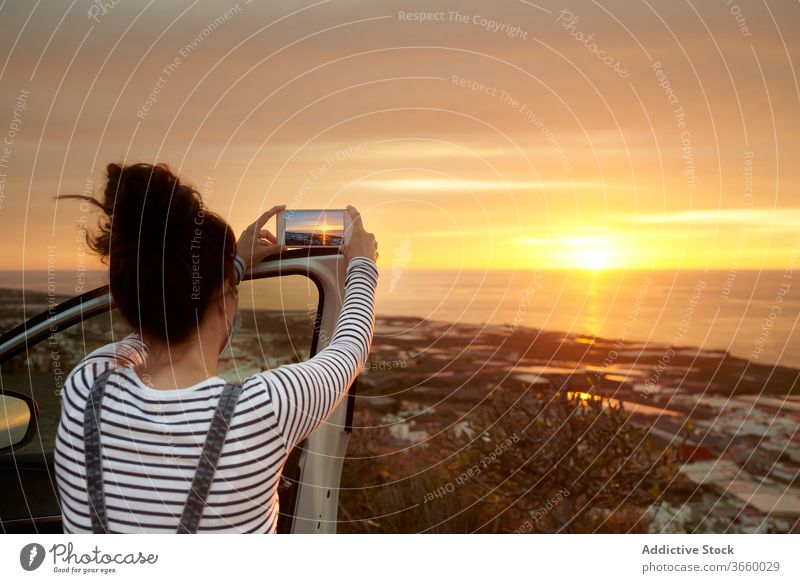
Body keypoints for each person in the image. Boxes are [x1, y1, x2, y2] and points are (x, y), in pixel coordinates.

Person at [53, 162, 379, 533]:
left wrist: (226, 273)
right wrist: (363, 263)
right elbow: (349, 348)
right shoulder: (262, 410)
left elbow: (155, 319)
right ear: (225, 301)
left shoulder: (85, 389)